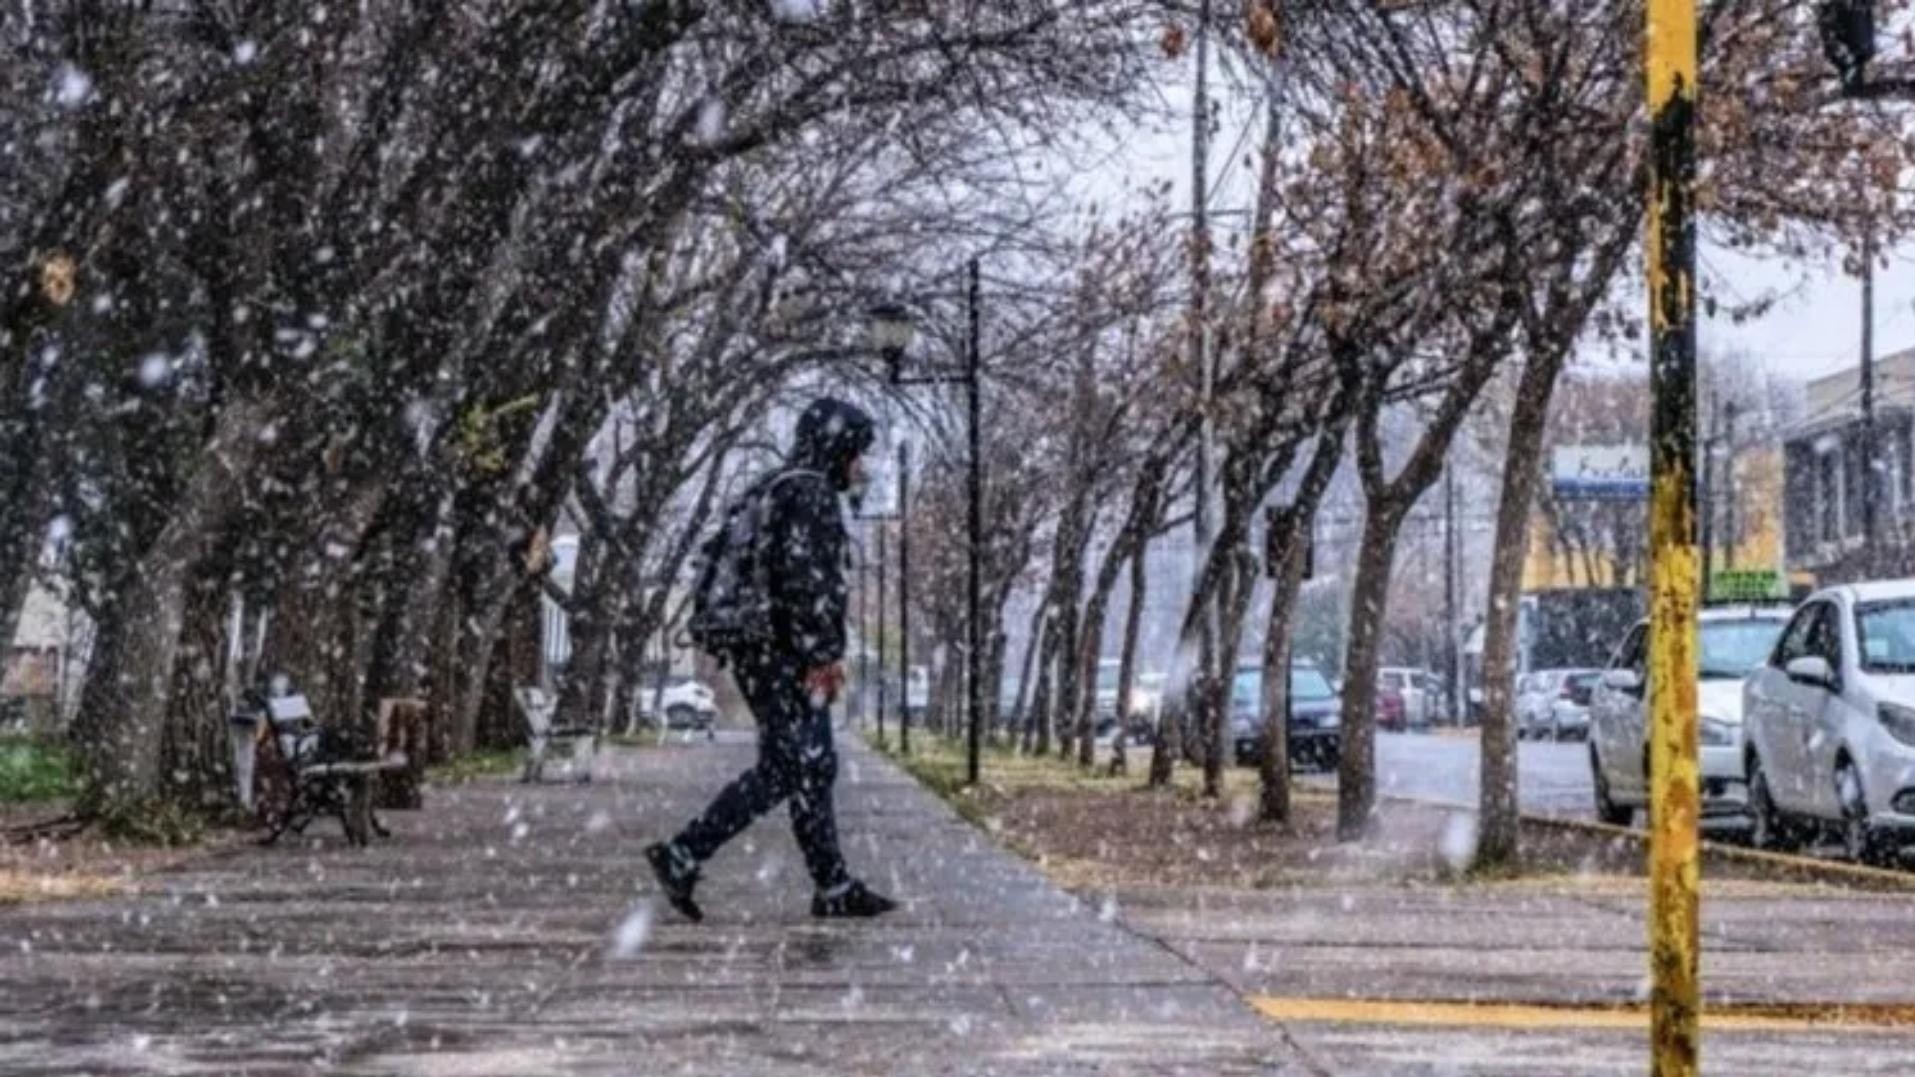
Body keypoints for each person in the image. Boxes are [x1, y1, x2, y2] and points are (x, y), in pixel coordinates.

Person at [646, 397, 897, 922]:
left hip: (762, 650)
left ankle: (832, 885)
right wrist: (820, 653)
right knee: (791, 766)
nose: (860, 467)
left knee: (809, 765)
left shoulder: (777, 486)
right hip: (784, 654)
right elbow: (806, 583)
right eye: (856, 454)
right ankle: (685, 852)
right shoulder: (809, 493)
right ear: (837, 448)